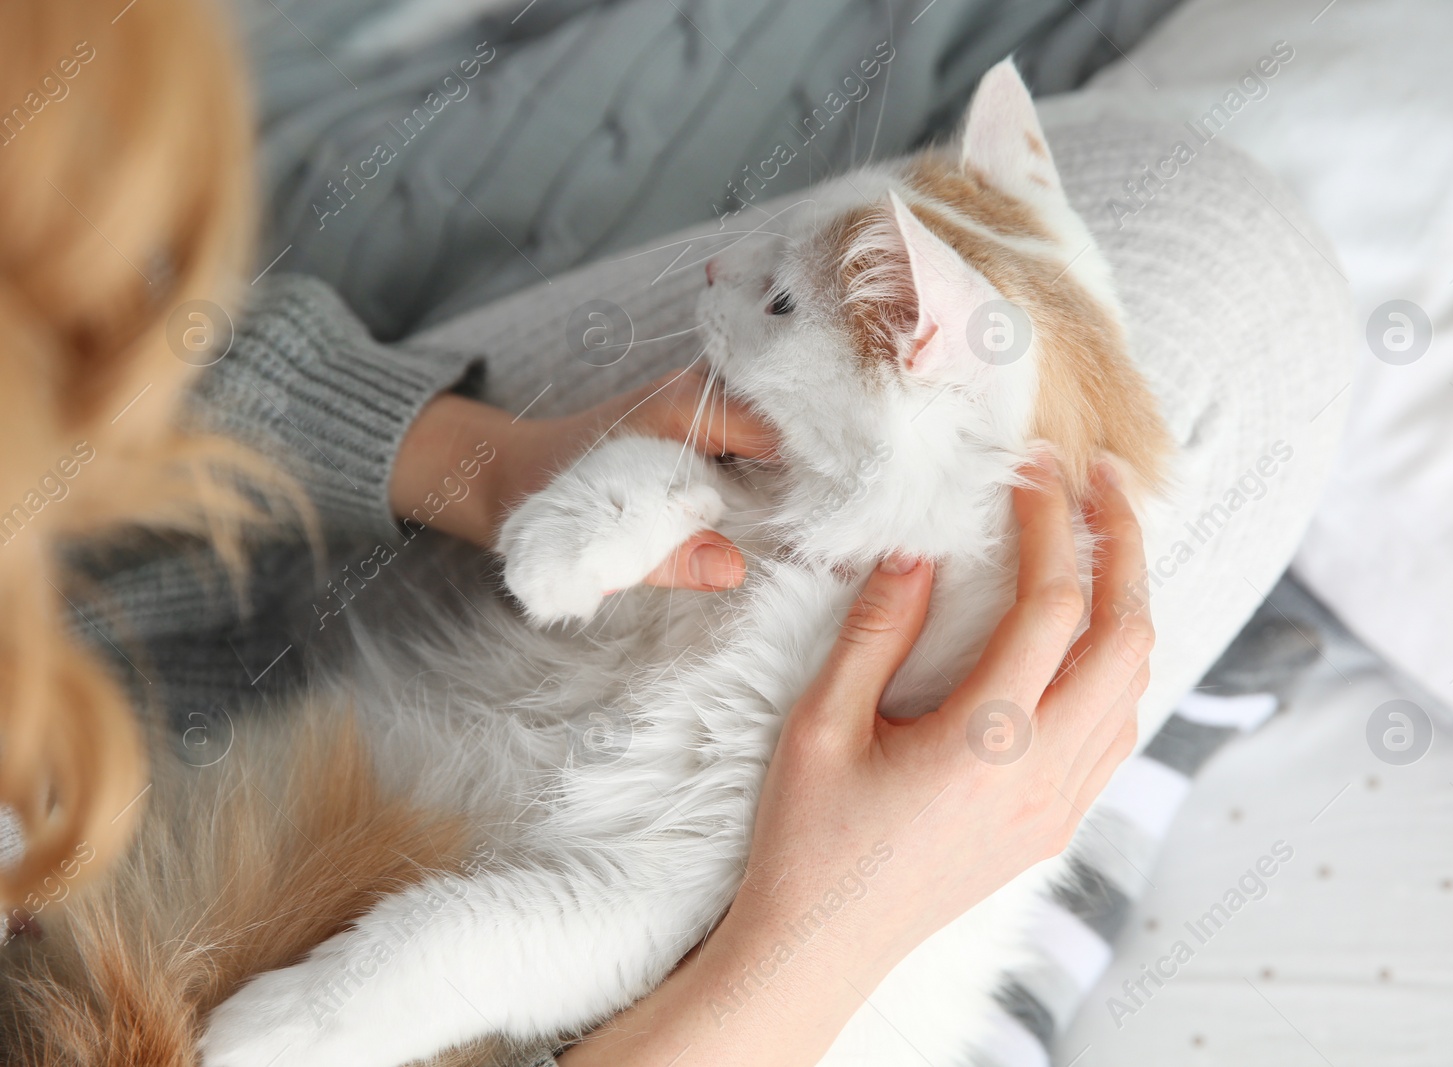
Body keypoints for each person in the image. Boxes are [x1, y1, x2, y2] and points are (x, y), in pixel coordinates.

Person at [0, 0, 1147, 1061]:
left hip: (223, 639)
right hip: (621, 990)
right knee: (1232, 259)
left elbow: (74, 326)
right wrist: (817, 942)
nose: (717, 271)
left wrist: (464, 458)